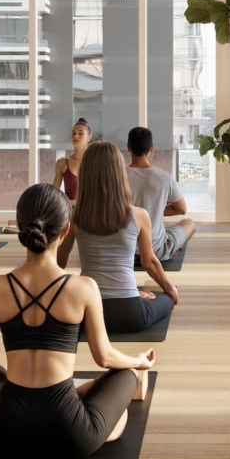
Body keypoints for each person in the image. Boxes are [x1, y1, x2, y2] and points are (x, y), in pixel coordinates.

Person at [0, 183, 155, 459]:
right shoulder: (84, 287)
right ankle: (91, 406)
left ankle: (81, 396)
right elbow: (104, 357)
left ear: (21, 227)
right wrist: (138, 362)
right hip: (70, 437)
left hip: (4, 438)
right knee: (125, 375)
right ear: (66, 230)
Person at [59, 141, 178, 334]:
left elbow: (58, 264)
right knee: (162, 298)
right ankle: (136, 295)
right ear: (119, 173)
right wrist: (170, 289)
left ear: (86, 174)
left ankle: (133, 294)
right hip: (130, 314)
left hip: (86, 314)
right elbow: (149, 263)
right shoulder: (139, 215)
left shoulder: (74, 216)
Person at [124, 126, 195, 262]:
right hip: (156, 251)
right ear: (151, 148)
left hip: (125, 251)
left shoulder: (117, 176)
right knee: (189, 223)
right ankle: (172, 247)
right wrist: (155, 209)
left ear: (128, 147)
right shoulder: (165, 177)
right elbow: (182, 209)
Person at [52, 118, 92, 201]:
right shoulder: (62, 162)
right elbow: (54, 192)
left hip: (91, 210)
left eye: (80, 133)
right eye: (73, 133)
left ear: (89, 137)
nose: (76, 136)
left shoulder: (96, 161)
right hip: (70, 210)